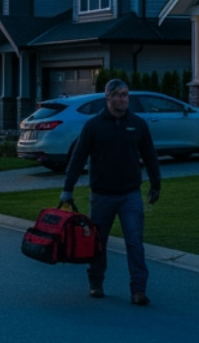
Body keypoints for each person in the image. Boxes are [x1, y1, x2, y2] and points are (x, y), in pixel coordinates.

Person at [60, 79, 162, 305]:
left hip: (130, 195)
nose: (123, 99)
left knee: (134, 241)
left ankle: (138, 290)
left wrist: (156, 184)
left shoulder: (138, 124)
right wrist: (67, 190)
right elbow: (77, 159)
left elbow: (150, 156)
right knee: (98, 242)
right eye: (118, 95)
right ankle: (95, 283)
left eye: (126, 94)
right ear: (108, 98)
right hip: (102, 195)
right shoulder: (94, 126)